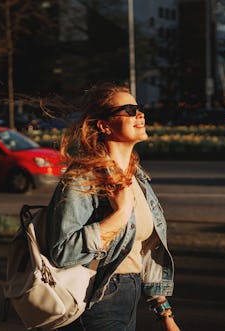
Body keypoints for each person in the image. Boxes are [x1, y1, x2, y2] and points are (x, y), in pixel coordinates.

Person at [45, 82, 181, 331]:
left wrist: (165, 313)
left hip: (129, 294)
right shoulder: (83, 178)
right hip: (97, 299)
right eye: (128, 110)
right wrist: (118, 216)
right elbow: (62, 252)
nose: (139, 114)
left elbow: (144, 249)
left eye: (138, 108)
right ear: (104, 125)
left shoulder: (136, 176)